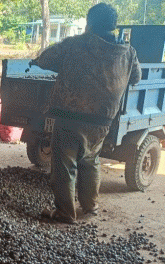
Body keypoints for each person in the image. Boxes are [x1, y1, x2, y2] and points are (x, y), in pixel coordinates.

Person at [30, 3, 141, 224]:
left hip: (70, 117)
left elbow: (45, 60)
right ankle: (91, 206)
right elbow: (135, 78)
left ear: (89, 23)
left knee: (64, 165)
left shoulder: (74, 45)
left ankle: (65, 213)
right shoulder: (127, 51)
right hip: (102, 121)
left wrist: (42, 62)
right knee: (91, 160)